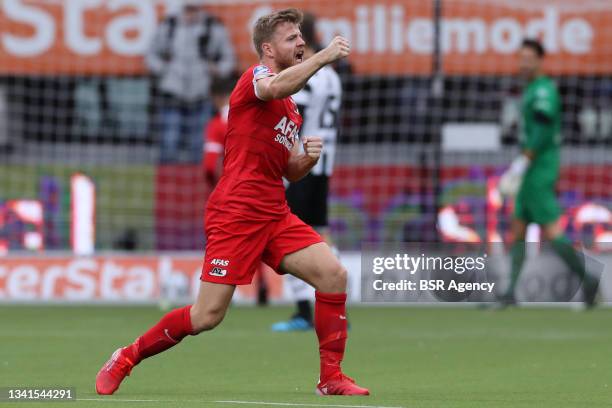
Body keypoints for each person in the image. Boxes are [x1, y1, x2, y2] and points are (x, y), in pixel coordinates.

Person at [96, 8, 369, 396]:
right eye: (291, 38)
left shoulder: (291, 109)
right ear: (267, 48)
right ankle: (126, 356)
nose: (301, 43)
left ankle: (331, 378)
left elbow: (289, 170)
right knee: (207, 316)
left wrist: (306, 159)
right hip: (236, 211)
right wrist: (323, 58)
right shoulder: (255, 79)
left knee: (334, 275)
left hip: (274, 212)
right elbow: (275, 87)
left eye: (301, 37)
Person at [498, 38, 599, 307]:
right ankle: (510, 293)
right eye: (521, 58)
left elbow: (542, 131)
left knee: (552, 232)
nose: (524, 63)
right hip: (531, 167)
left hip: (539, 168)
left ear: (540, 61)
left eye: (529, 58)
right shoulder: (530, 89)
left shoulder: (543, 90)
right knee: (518, 226)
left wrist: (522, 163)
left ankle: (588, 280)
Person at [271, 12, 343, 332]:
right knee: (320, 232)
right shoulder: (332, 75)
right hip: (325, 163)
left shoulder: (306, 75)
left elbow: (291, 115)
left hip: (303, 163)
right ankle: (338, 304)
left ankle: (303, 311)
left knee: (290, 236)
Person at [146, 0, 236, 163]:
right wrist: (164, 71)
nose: (191, 13)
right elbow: (151, 55)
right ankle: (167, 184)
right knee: (168, 143)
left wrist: (216, 69)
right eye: (188, 9)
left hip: (201, 95)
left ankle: (198, 185)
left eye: (194, 9)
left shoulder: (213, 27)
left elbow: (228, 60)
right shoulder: (170, 25)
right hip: (172, 93)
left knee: (199, 145)